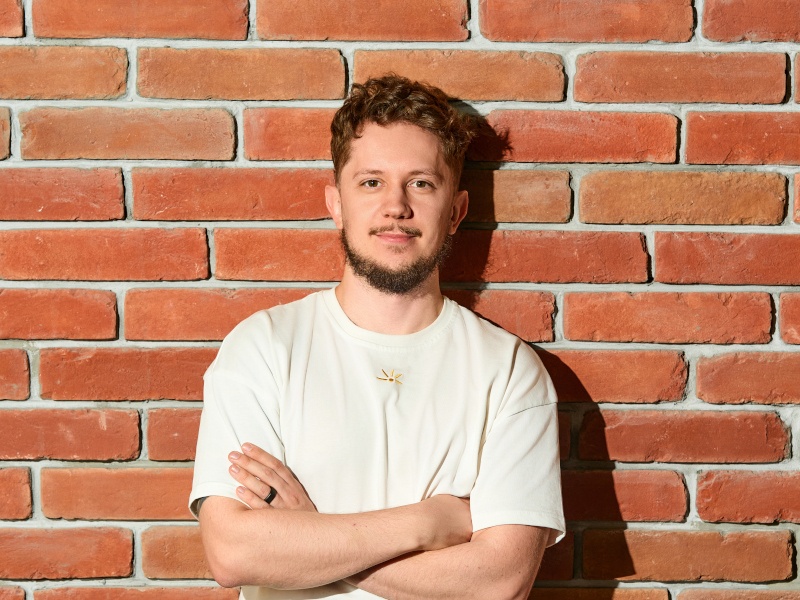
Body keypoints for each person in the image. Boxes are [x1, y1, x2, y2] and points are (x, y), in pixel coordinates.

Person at [189, 74, 565, 600]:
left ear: (455, 212)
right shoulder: (264, 348)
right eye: (371, 182)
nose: (396, 206)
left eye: (421, 183)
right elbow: (234, 553)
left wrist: (314, 534)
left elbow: (499, 583)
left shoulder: (507, 372)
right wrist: (427, 523)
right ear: (336, 203)